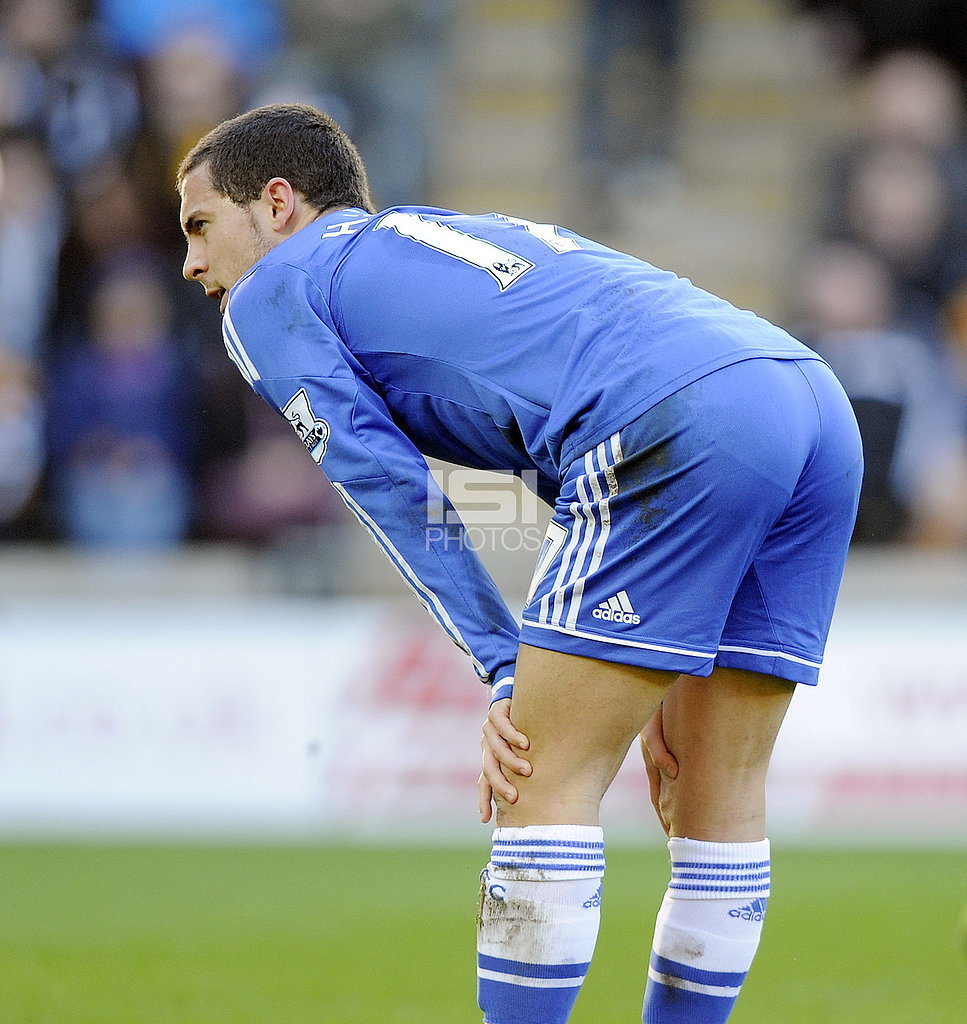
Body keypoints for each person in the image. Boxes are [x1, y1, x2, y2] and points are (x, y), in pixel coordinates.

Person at [177, 103, 862, 1024]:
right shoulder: (447, 236)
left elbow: (386, 487)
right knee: (717, 790)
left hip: (677, 415)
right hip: (804, 396)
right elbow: (552, 417)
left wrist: (506, 666)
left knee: (537, 775)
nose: (191, 264)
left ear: (276, 203)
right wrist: (647, 661)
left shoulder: (271, 291)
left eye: (198, 225)